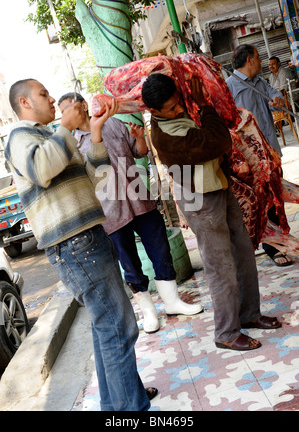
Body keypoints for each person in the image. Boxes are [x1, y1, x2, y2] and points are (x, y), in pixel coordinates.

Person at [5, 78, 157, 411]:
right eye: (43, 95)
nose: (51, 100)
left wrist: (97, 131)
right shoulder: (21, 137)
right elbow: (42, 169)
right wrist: (65, 126)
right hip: (76, 244)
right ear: (24, 103)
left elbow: (96, 175)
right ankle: (132, 411)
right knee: (119, 326)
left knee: (110, 328)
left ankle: (117, 405)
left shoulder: (50, 137)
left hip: (88, 239)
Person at [141, 72, 282, 352]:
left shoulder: (173, 115)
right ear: (154, 112)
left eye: (178, 101)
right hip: (200, 198)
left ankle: (249, 314)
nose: (180, 108)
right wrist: (203, 105)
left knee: (242, 250)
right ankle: (227, 332)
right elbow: (219, 142)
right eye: (171, 108)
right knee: (221, 266)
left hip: (217, 185)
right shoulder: (166, 136)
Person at [58, 92, 202, 334]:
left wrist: (140, 137)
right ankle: (148, 312)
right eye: (61, 112)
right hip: (110, 212)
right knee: (129, 263)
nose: (64, 115)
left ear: (82, 105)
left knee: (160, 249)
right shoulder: (72, 145)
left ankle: (172, 302)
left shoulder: (113, 123)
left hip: (140, 199)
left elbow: (139, 152)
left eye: (66, 109)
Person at [226, 44, 292, 267]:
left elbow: (274, 98)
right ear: (249, 61)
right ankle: (271, 247)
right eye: (258, 57)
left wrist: (278, 102)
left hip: (271, 151)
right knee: (263, 202)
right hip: (251, 159)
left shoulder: (260, 82)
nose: (262, 61)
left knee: (277, 198)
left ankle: (280, 240)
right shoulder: (230, 87)